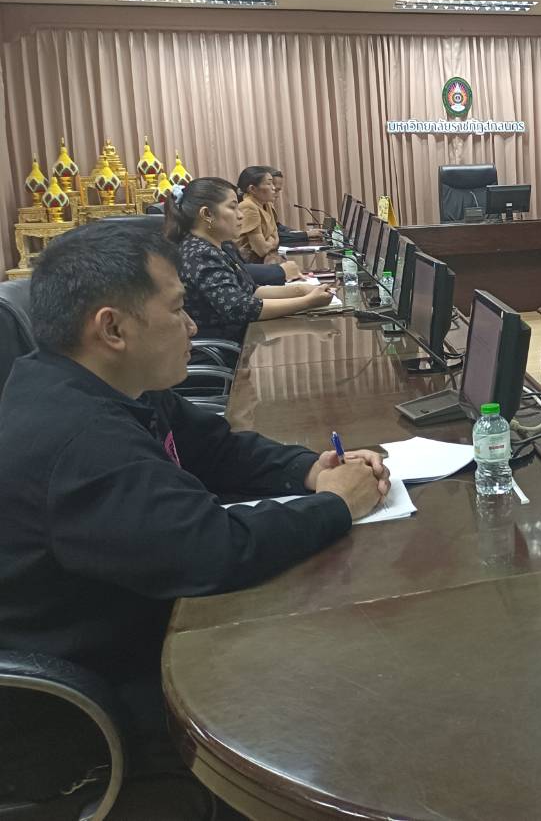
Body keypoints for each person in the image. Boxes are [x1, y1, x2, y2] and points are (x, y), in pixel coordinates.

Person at [0, 222, 387, 731]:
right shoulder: (79, 441)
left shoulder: (111, 382)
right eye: (178, 308)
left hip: (145, 618)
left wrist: (309, 469)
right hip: (100, 692)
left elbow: (216, 448)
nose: (192, 326)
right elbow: (213, 550)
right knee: (347, 681)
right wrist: (336, 505)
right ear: (112, 329)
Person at [166, 177, 334, 343]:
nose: (241, 216)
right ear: (207, 214)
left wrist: (301, 290)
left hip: (244, 337)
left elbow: (250, 291)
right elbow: (239, 308)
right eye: (233, 207)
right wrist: (307, 302)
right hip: (226, 348)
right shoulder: (200, 254)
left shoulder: (221, 246)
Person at [236, 165, 285, 265]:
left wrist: (269, 241)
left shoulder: (267, 204)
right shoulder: (248, 206)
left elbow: (276, 237)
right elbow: (261, 250)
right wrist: (271, 240)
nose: (273, 187)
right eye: (269, 183)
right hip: (249, 263)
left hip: (266, 258)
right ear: (252, 189)